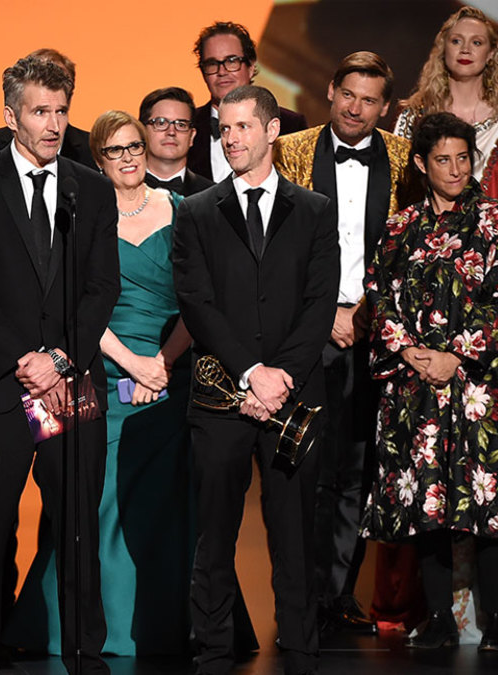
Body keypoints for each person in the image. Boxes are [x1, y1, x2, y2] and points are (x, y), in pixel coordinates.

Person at [0, 56, 119, 675]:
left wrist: (61, 358)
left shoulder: (88, 186)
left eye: (62, 110)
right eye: (41, 111)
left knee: (77, 529)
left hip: (72, 383)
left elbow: (101, 286)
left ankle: (83, 656)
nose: (54, 123)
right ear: (11, 115)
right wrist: (24, 362)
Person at [4, 110, 196, 655]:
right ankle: (80, 625)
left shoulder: (181, 210)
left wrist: (160, 363)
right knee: (91, 500)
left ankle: (156, 626)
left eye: (135, 145)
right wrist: (132, 365)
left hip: (167, 374)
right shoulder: (78, 215)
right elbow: (75, 307)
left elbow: (197, 300)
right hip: (94, 373)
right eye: (115, 150)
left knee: (159, 505)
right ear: (97, 159)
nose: (131, 157)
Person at [173, 84, 338, 675]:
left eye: (244, 126)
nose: (233, 138)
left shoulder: (316, 209)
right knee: (213, 531)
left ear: (272, 131)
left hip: (293, 398)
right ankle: (213, 650)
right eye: (225, 129)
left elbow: (321, 302)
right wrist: (251, 372)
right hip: (223, 394)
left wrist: (281, 378)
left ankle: (299, 648)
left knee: (293, 531)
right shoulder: (195, 211)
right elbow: (197, 303)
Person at [360, 111, 498, 651]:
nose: (455, 169)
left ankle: (497, 622)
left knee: (484, 501)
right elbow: (378, 295)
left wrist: (455, 356)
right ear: (422, 165)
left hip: (477, 385)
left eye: (463, 158)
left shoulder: (495, 218)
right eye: (443, 160)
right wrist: (408, 350)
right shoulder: (401, 226)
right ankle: (440, 623)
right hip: (414, 384)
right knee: (426, 503)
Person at [273, 50, 409, 639]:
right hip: (309, 332)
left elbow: (408, 251)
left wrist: (368, 316)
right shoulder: (293, 149)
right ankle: (298, 604)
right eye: (348, 94)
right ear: (330, 90)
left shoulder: (405, 159)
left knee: (359, 469)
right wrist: (326, 311)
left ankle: (337, 594)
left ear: (387, 107)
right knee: (303, 466)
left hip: (376, 335)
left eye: (370, 100)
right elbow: (277, 244)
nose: (356, 108)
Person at [393, 6, 498, 208]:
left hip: (497, 238)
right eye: (456, 41)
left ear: (491, 53)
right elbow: (397, 193)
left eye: (476, 42)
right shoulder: (413, 116)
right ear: (444, 48)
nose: (465, 49)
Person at [188, 22, 307, 182]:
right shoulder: (186, 126)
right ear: (203, 73)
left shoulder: (291, 126)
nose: (222, 71)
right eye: (212, 64)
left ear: (250, 67)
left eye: (231, 61)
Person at [0, 49, 97, 170]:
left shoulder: (93, 149)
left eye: (61, 111)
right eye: (40, 112)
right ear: (11, 118)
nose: (55, 127)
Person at [139, 87, 214, 196]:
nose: (171, 132)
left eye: (181, 125)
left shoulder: (213, 196)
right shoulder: (115, 190)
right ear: (142, 131)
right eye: (161, 123)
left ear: (192, 136)